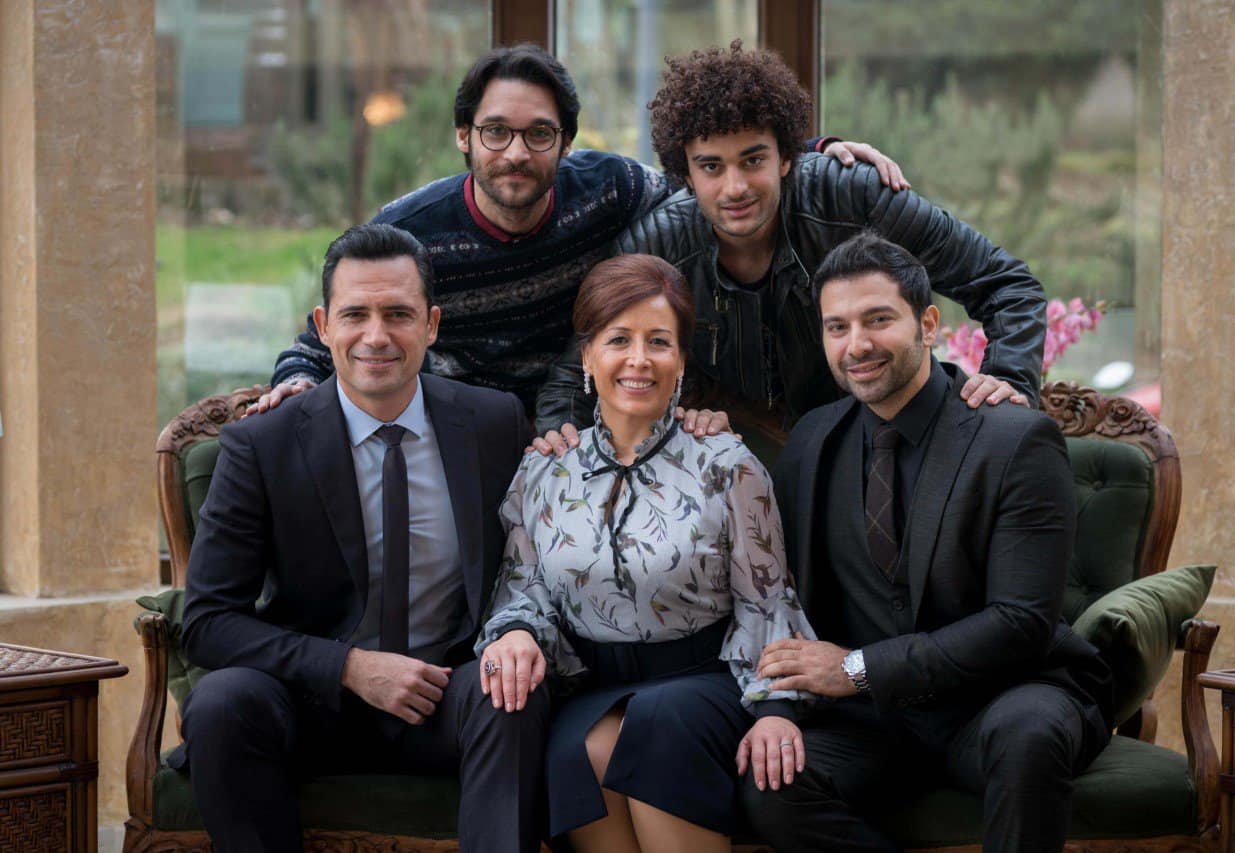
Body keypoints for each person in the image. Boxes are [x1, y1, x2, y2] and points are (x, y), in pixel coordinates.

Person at [256, 43, 904, 427]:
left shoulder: (609, 188)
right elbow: (334, 330)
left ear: (565, 142)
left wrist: (809, 152)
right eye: (495, 132)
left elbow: (711, 181)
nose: (516, 152)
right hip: (466, 429)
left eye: (539, 134)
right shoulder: (409, 232)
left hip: (593, 412)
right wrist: (297, 379)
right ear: (464, 137)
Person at [178, 223, 548, 853]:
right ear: (323, 326)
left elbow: (532, 561)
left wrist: (518, 633)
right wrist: (349, 668)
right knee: (219, 704)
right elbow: (207, 622)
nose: (376, 336)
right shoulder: (261, 445)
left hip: (445, 690)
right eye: (355, 315)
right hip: (311, 701)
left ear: (431, 325)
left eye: (398, 314)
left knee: (513, 688)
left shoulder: (494, 423)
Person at [741, 232, 1114, 851]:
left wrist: (857, 669)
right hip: (873, 722)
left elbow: (1020, 622)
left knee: (1029, 735)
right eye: (837, 327)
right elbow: (779, 596)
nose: (857, 345)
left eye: (878, 319)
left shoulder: (1014, 439)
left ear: (929, 324)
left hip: (1002, 696)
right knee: (772, 785)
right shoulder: (811, 441)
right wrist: (776, 709)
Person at [536, 41, 1045, 451]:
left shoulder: (850, 194)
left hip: (884, 435)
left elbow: (1006, 285)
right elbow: (577, 368)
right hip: (746, 451)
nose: (735, 187)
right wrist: (567, 457)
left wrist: (1009, 380)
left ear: (786, 157)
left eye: (753, 160)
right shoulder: (659, 243)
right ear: (685, 174)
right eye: (711, 166)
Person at [476, 254, 815, 851]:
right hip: (593, 688)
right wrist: (517, 633)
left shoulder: (726, 463)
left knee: (655, 729)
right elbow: (521, 589)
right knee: (584, 750)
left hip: (703, 682)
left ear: (680, 360)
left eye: (659, 341)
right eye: (619, 340)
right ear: (587, 356)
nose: (639, 359)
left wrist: (774, 710)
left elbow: (767, 602)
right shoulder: (545, 469)